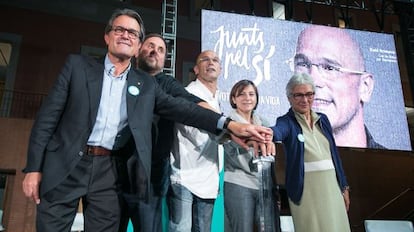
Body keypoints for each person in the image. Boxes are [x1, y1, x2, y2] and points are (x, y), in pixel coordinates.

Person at [21, 8, 273, 232]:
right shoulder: (77, 66)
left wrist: (229, 125)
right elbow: (47, 119)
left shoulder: (146, 85)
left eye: (132, 33)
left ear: (136, 43)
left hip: (109, 174)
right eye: (119, 29)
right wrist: (33, 168)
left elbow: (185, 108)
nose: (125, 35)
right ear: (107, 36)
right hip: (65, 166)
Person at [119, 33, 210, 232]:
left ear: (164, 60)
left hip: (150, 180)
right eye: (151, 46)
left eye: (161, 50)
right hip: (115, 173)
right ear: (138, 51)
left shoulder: (167, 84)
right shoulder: (122, 79)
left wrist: (223, 121)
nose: (155, 51)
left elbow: (190, 101)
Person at [271, 73, 351, 232]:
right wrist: (266, 133)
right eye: (298, 95)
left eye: (309, 94)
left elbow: (334, 155)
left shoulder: (323, 119)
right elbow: (277, 132)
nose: (305, 99)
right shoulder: (286, 121)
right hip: (305, 190)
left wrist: (344, 186)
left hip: (332, 187)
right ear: (289, 98)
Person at [292, 25, 385, 149]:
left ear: (365, 87)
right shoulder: (279, 159)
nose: (311, 82)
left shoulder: (394, 166)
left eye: (329, 68)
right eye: (302, 64)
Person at [168, 50, 224, 232]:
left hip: (208, 176)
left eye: (215, 60)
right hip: (185, 175)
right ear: (196, 69)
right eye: (205, 60)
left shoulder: (217, 98)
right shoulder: (189, 93)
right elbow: (192, 130)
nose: (211, 63)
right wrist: (228, 134)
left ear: (220, 68)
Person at [223, 79, 280, 232]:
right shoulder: (228, 124)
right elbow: (228, 149)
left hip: (263, 185)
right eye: (241, 94)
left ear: (256, 98)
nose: (247, 98)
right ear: (233, 99)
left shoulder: (264, 122)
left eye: (251, 94)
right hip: (238, 183)